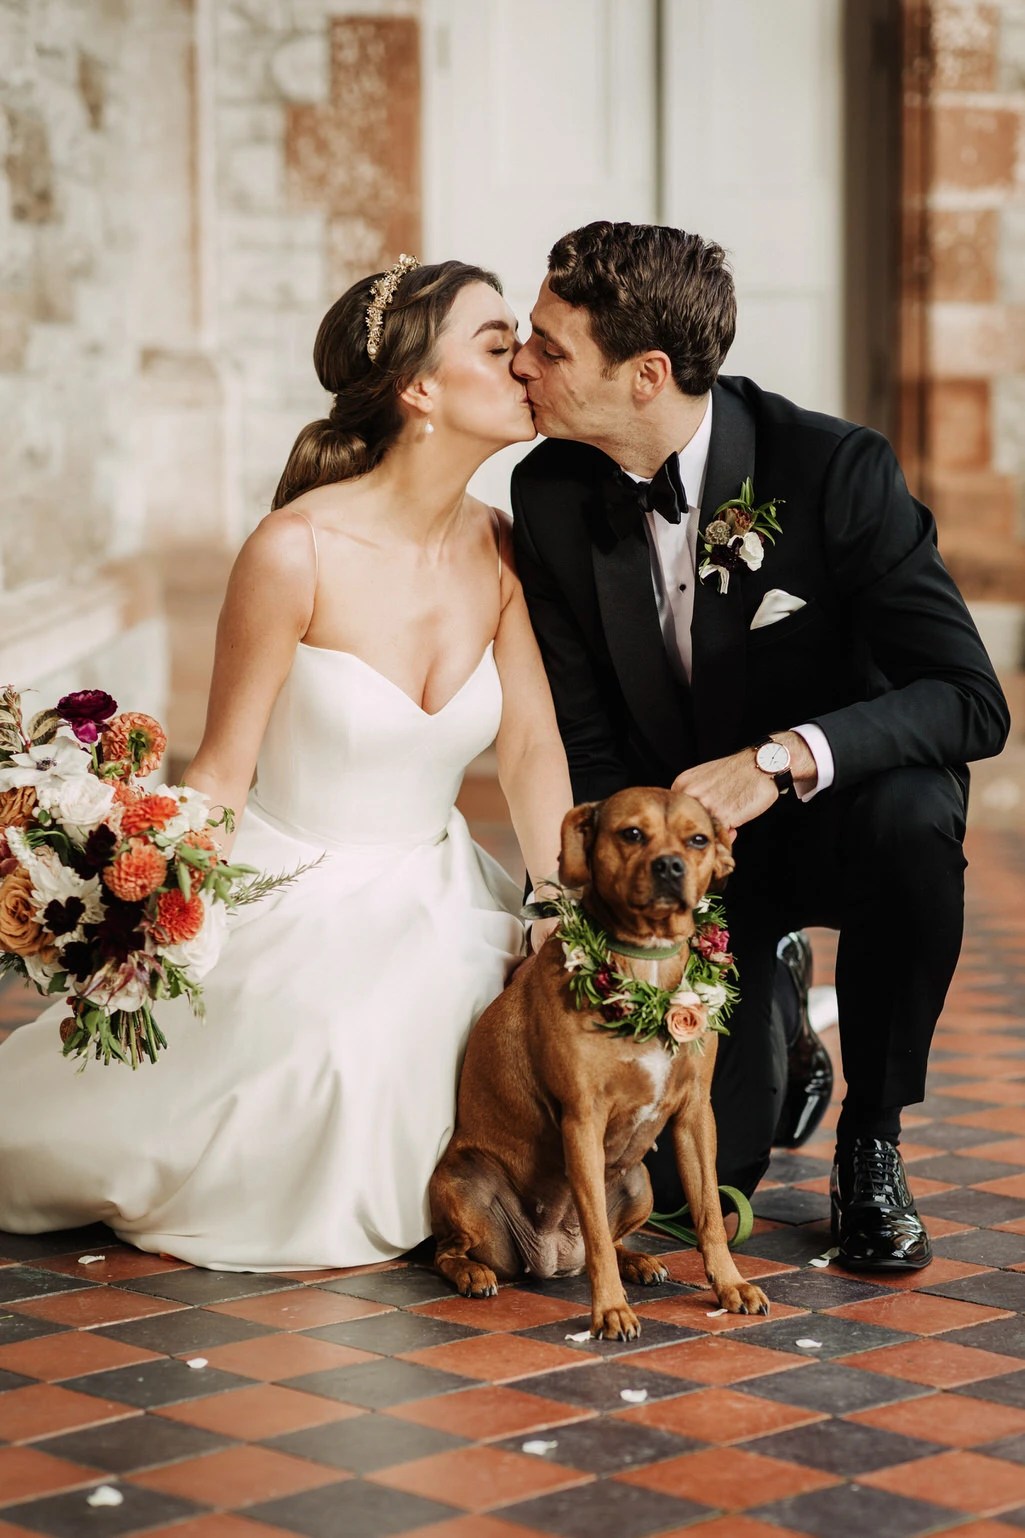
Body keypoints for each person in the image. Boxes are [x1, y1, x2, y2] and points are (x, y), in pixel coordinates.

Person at [0, 257, 572, 1272]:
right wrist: (142, 897)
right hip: (291, 877)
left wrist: (555, 904)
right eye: (495, 344)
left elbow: (528, 745)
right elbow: (221, 767)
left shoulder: (501, 546)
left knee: (475, 1017)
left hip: (437, 882)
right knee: (335, 1045)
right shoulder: (290, 549)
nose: (526, 363)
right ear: (418, 388)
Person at [510, 220, 1010, 1270]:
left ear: (645, 375)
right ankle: (772, 997)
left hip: (834, 824)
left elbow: (969, 701)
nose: (521, 363)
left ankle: (871, 1135)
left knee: (917, 812)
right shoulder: (549, 492)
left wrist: (782, 757)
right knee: (713, 1175)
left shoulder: (832, 468)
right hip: (687, 871)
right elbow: (588, 734)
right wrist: (606, 913)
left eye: (549, 348)